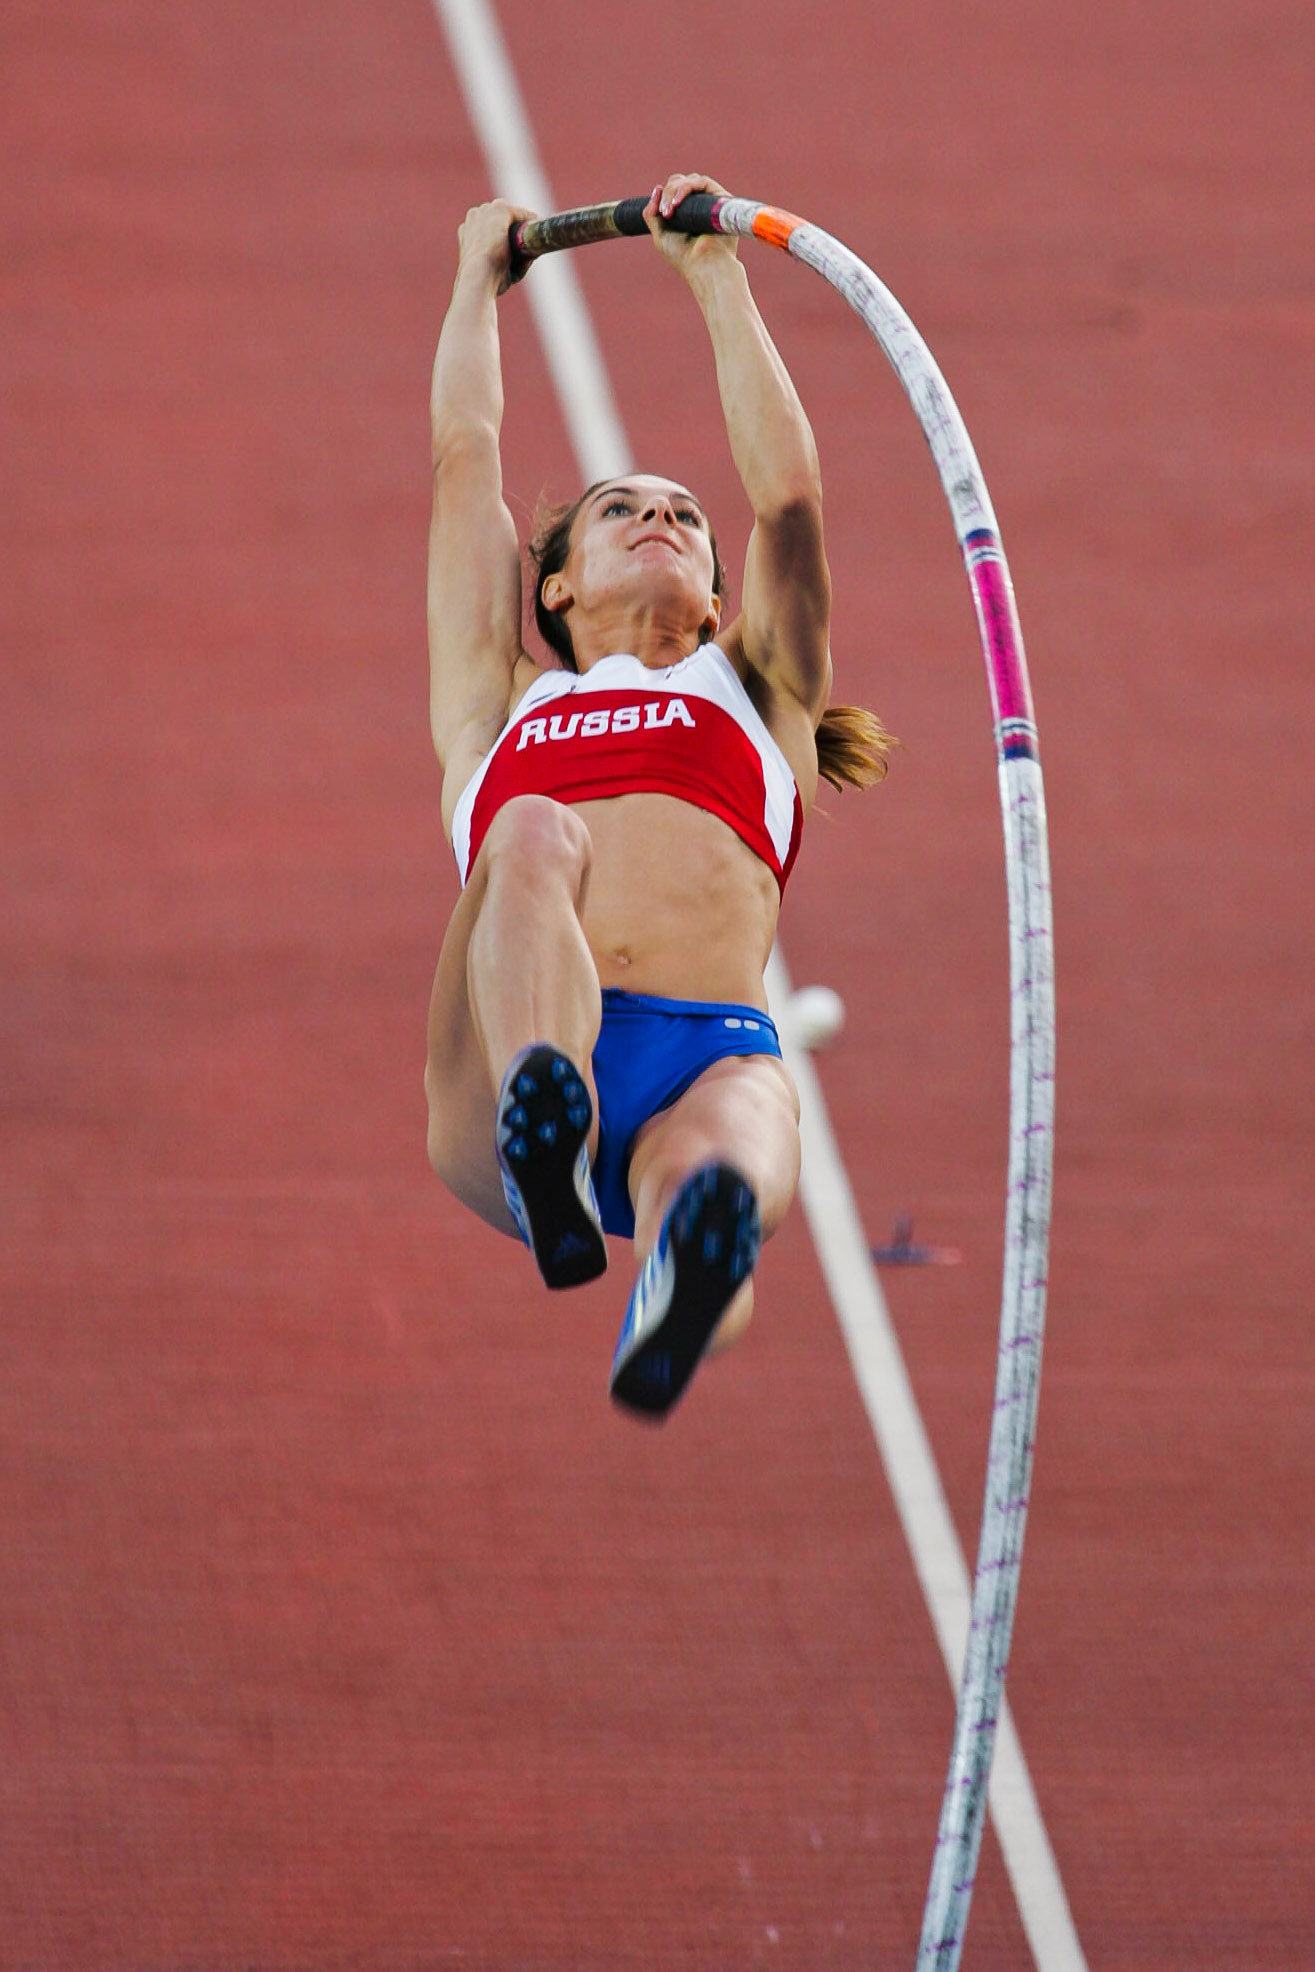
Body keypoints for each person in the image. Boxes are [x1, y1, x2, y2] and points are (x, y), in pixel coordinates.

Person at [424, 171, 892, 1419]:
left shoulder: (763, 695)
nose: (662, 520)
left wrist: (716, 272)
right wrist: (478, 279)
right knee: (528, 827)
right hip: (509, 1061)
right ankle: (550, 1136)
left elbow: (788, 497)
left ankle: (678, 1306)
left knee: (733, 1152)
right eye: (621, 510)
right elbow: (465, 459)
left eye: (686, 516)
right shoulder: (497, 703)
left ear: (716, 596)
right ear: (560, 588)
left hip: (696, 1052)